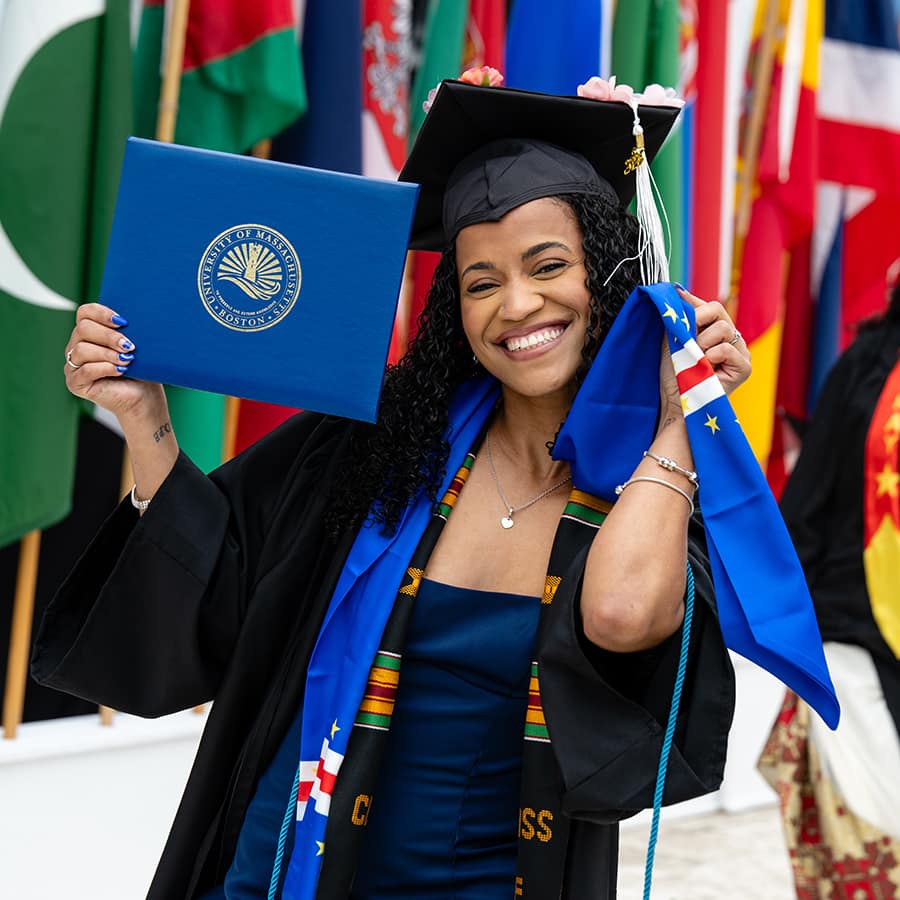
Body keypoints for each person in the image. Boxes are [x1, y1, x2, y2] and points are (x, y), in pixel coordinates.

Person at [32, 77, 749, 899]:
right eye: (482, 282)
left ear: (609, 275)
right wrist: (143, 416)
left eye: (550, 265)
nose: (518, 305)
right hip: (287, 864)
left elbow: (623, 618)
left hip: (486, 880)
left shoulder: (643, 488)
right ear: (455, 307)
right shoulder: (382, 446)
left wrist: (679, 421)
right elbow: (221, 592)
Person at [760, 270, 900, 896]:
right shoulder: (868, 367)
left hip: (852, 634)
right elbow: (807, 513)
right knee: (873, 850)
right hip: (858, 650)